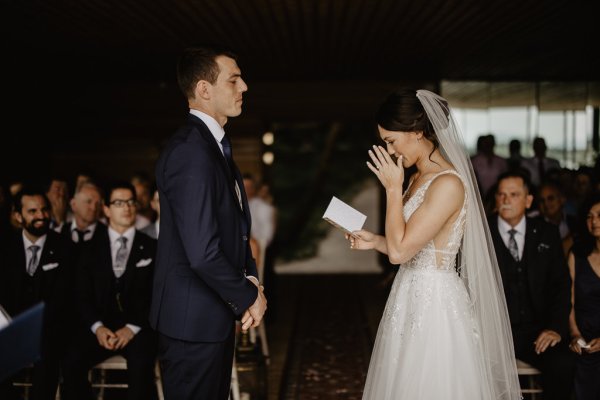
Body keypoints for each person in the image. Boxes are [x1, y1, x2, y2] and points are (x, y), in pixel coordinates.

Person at [347, 89, 520, 399]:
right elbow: (408, 246)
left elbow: (401, 252)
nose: (389, 150)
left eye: (391, 141)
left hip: (436, 305)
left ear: (416, 131)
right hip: (408, 294)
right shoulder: (416, 178)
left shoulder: (448, 184)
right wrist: (375, 241)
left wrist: (391, 189)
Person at [149, 46, 267, 400]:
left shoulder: (211, 147)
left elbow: (235, 229)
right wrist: (249, 296)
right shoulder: (191, 151)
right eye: (234, 79)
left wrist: (252, 281)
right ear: (204, 89)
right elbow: (202, 252)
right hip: (191, 322)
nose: (244, 86)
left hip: (207, 316)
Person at [61, 182, 158, 400]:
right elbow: (81, 295)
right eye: (119, 202)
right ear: (106, 209)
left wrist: (132, 328)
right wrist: (97, 327)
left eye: (131, 202)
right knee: (71, 362)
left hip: (139, 328)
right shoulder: (89, 248)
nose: (127, 207)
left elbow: (157, 295)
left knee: (142, 366)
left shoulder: (153, 247)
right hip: (100, 328)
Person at [489, 171, 574, 400]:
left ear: (528, 200)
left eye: (514, 194)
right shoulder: (482, 233)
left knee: (563, 365)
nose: (506, 200)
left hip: (538, 332)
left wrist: (556, 327)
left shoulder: (547, 232)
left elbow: (561, 285)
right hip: (493, 334)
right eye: (501, 194)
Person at [0, 186, 73, 400]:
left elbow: (65, 297)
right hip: (11, 328)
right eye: (32, 211)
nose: (41, 216)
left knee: (47, 353)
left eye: (44, 209)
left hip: (51, 328)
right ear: (17, 215)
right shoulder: (5, 249)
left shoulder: (66, 248)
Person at [567, 194, 600, 400]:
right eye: (589, 216)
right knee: (573, 364)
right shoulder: (577, 254)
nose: (594, 221)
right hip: (583, 335)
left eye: (599, 215)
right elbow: (568, 301)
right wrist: (574, 334)